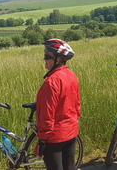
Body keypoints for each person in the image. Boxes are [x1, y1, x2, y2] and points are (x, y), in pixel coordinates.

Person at [36, 39, 81, 170]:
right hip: (71, 133)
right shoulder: (72, 75)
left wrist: (42, 140)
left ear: (59, 59)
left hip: (55, 138)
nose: (44, 59)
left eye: (47, 56)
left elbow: (46, 116)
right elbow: (77, 105)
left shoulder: (51, 82)